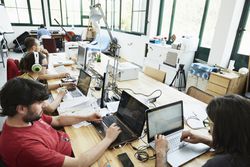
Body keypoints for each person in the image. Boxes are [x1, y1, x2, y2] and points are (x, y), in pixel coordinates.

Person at [0, 78, 121, 167]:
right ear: (21, 108)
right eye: (39, 102)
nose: (45, 105)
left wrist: (87, 117)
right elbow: (79, 163)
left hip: (68, 145)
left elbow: (57, 120)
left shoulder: (25, 118)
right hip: (74, 158)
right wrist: (108, 139)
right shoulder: (26, 148)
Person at [155, 95, 250, 167]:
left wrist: (160, 153)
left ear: (225, 131)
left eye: (210, 124)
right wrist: (205, 140)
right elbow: (233, 146)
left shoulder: (220, 164)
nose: (209, 130)